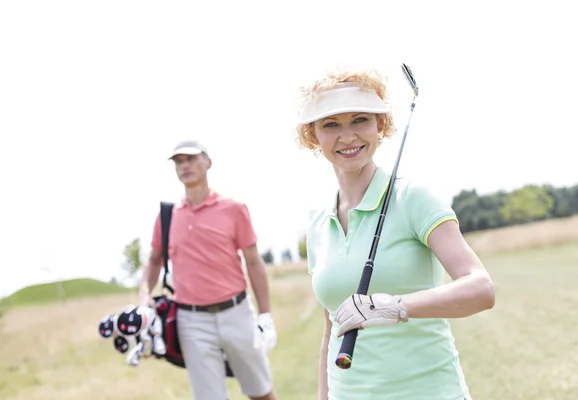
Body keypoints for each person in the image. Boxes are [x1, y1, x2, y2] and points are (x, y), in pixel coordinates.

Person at [295, 68, 496, 400]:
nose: (347, 137)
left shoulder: (413, 198)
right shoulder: (318, 223)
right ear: (313, 135)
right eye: (331, 124)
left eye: (360, 120)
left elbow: (481, 288)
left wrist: (395, 306)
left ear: (381, 125)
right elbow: (332, 326)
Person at [138, 139, 279, 400]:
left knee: (260, 392)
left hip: (237, 314)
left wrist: (266, 315)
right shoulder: (167, 216)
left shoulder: (234, 209)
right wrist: (145, 293)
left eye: (191, 159)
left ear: (208, 162)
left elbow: (254, 262)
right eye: (179, 161)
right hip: (191, 321)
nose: (185, 165)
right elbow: (154, 259)